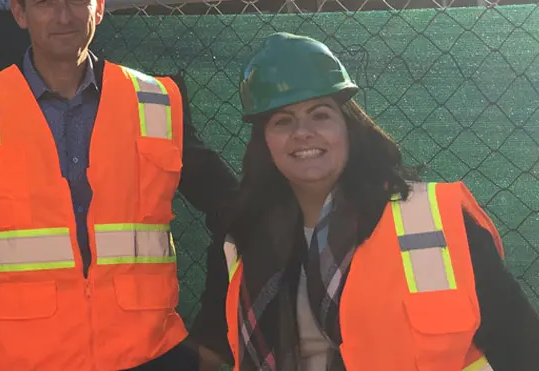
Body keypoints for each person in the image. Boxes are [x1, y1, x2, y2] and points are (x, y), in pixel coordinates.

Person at [0, 0, 238, 371]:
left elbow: (235, 209)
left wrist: (215, 333)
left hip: (147, 357)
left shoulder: (156, 102)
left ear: (99, 4)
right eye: (45, 1)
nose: (63, 16)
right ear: (19, 12)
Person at [193, 31, 539, 370]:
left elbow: (519, 343)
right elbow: (212, 347)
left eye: (320, 114)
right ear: (264, 143)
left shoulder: (434, 222)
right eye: (283, 121)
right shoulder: (242, 237)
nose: (303, 132)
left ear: (348, 126)